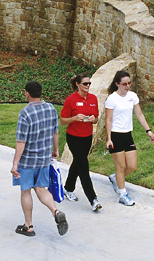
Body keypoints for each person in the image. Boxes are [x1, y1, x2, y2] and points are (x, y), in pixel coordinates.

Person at [11, 81, 68, 237]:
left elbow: (21, 141)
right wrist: (55, 150)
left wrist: (15, 163)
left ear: (27, 93)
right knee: (42, 189)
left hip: (28, 161)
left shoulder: (25, 113)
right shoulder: (51, 109)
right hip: (44, 159)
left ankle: (28, 226)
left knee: (25, 191)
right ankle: (56, 211)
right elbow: (55, 133)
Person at [105, 70, 154, 206]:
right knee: (121, 166)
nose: (127, 86)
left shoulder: (132, 96)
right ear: (117, 84)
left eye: (129, 83)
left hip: (127, 134)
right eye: (124, 84)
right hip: (115, 135)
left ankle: (115, 178)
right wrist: (108, 139)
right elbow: (108, 120)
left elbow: (139, 114)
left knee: (132, 166)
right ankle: (122, 194)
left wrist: (148, 131)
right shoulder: (112, 99)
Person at [59, 73, 101, 212]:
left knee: (78, 162)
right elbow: (63, 120)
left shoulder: (93, 98)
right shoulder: (70, 100)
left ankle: (68, 189)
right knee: (83, 166)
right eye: (85, 84)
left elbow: (96, 118)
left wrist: (93, 119)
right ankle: (93, 200)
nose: (88, 86)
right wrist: (75, 118)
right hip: (74, 137)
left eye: (89, 83)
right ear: (78, 84)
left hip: (87, 136)